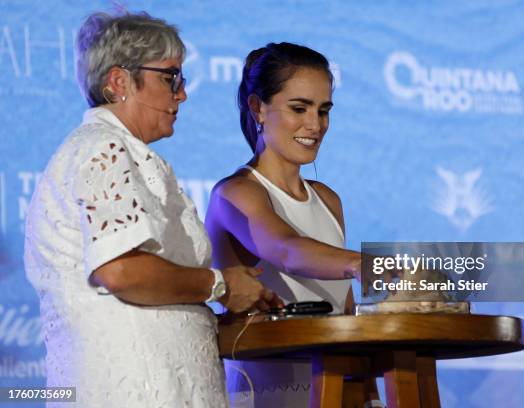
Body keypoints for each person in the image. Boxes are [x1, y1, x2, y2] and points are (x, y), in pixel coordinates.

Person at [24, 11, 280, 408]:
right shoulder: (102, 149)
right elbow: (122, 271)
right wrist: (222, 285)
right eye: (170, 78)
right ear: (118, 82)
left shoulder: (122, 152)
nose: (182, 93)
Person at [204, 42, 361, 407]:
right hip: (267, 394)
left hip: (337, 390)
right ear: (258, 107)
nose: (315, 125)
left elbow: (346, 312)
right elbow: (285, 249)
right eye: (299, 108)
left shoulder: (329, 200)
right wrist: (362, 263)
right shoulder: (237, 192)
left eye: (323, 110)